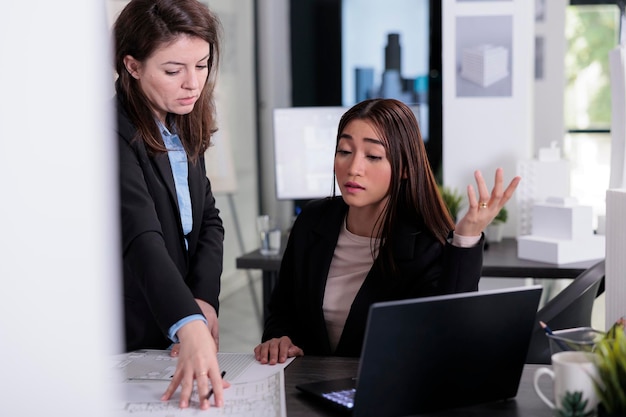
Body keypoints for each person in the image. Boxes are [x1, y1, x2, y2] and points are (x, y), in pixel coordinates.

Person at [254, 98, 522, 364]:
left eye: (373, 156)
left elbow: (448, 336)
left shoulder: (425, 245)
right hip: (302, 388)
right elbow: (281, 311)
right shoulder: (311, 221)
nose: (354, 168)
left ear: (405, 168)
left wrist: (467, 236)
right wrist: (279, 338)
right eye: (345, 151)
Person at [113, 0, 228, 409]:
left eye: (201, 65)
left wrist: (202, 299)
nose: (193, 83)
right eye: (173, 70)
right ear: (132, 66)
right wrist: (189, 323)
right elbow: (141, 235)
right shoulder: (110, 130)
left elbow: (208, 220)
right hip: (132, 333)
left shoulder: (183, 119)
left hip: (177, 329)